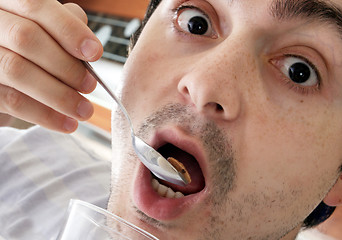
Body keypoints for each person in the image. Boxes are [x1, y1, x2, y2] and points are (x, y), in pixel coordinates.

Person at [0, 0, 342, 239]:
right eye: (196, 22)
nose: (206, 84)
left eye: (300, 71)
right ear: (132, 50)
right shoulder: (11, 168)